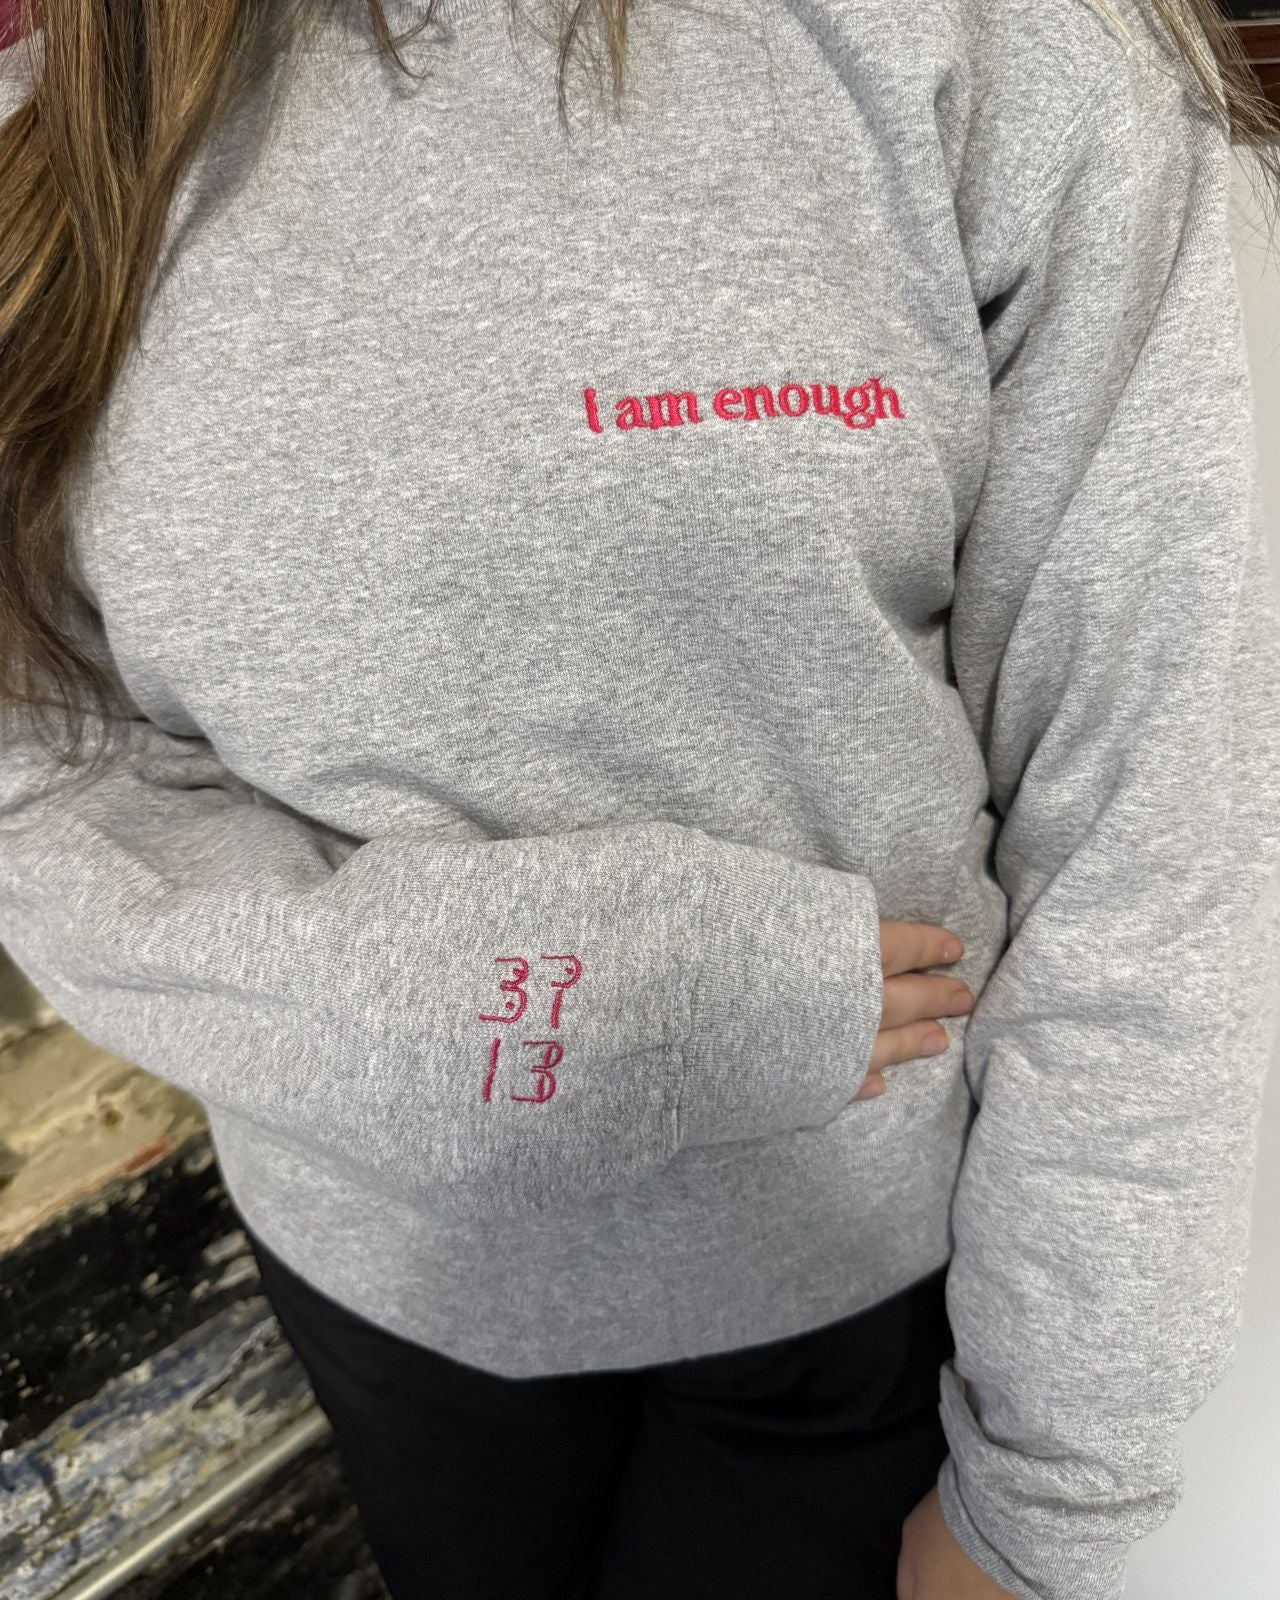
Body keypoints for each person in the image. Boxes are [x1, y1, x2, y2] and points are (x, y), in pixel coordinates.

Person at [2, 0, 1279, 1596]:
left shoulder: (1005, 47)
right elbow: (43, 780)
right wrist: (505, 1011)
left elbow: (1153, 829)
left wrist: (1048, 1487)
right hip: (383, 1279)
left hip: (862, 1298)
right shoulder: (66, 103)